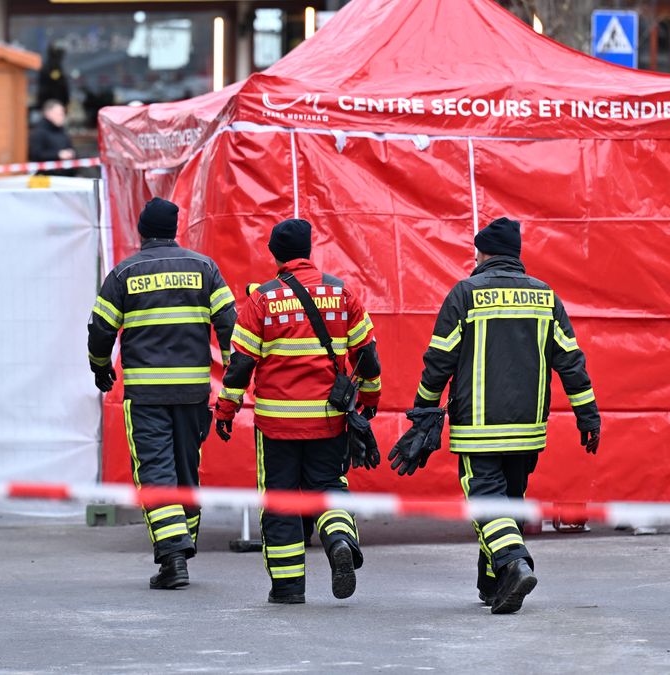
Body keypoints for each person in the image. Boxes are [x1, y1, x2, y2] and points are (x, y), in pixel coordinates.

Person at [389, 217, 602, 615]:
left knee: (488, 503)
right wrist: (587, 416)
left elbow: (439, 361)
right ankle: (494, 585)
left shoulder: (465, 293)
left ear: (483, 253)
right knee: (510, 503)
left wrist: (423, 412)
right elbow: (571, 362)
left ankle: (515, 563)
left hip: (478, 430)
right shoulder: (545, 297)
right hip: (528, 430)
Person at [212, 218, 383, 605]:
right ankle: (339, 540)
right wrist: (369, 400)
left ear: (274, 254)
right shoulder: (342, 294)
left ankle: (288, 588)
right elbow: (368, 358)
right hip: (328, 422)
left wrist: (225, 409)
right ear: (308, 249)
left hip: (277, 427)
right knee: (327, 489)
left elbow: (240, 365)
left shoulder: (262, 300)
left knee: (281, 502)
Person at [87, 197, 236, 590]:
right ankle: (184, 545)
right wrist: (234, 383)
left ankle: (173, 555)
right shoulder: (204, 268)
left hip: (148, 394)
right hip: (192, 394)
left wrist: (100, 366)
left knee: (156, 472)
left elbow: (101, 329)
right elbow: (230, 326)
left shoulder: (125, 272)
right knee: (186, 472)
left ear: (141, 231)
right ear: (174, 231)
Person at [28, 99, 76, 176]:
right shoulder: (39, 132)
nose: (63, 116)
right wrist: (58, 154)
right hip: (47, 179)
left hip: (66, 177)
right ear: (48, 114)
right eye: (59, 114)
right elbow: (35, 154)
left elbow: (70, 148)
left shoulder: (62, 131)